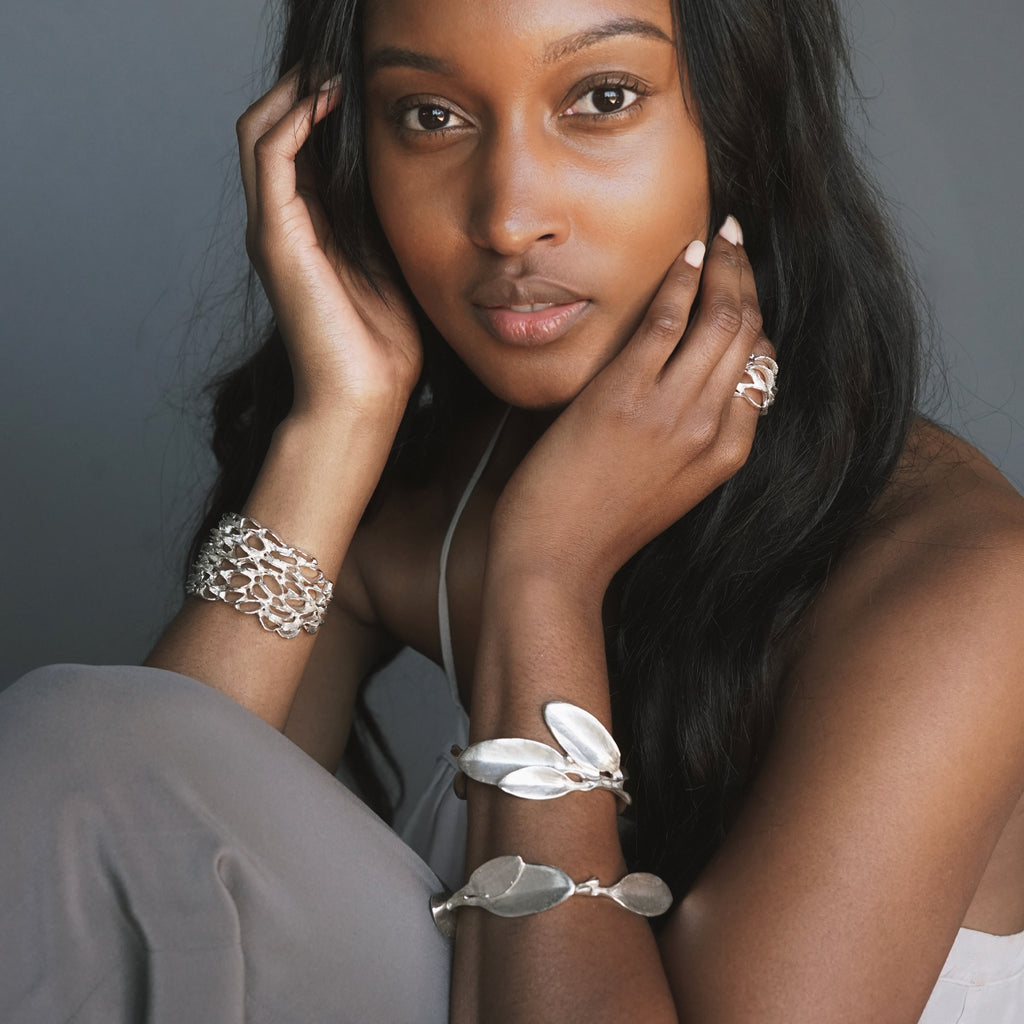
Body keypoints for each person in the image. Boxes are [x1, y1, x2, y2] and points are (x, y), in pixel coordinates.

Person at [2, 0, 1023, 1021]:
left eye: (602, 99)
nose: (505, 215)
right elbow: (116, 845)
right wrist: (338, 424)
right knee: (73, 730)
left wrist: (544, 575)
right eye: (429, 116)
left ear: (741, 121)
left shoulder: (956, 581)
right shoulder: (435, 494)